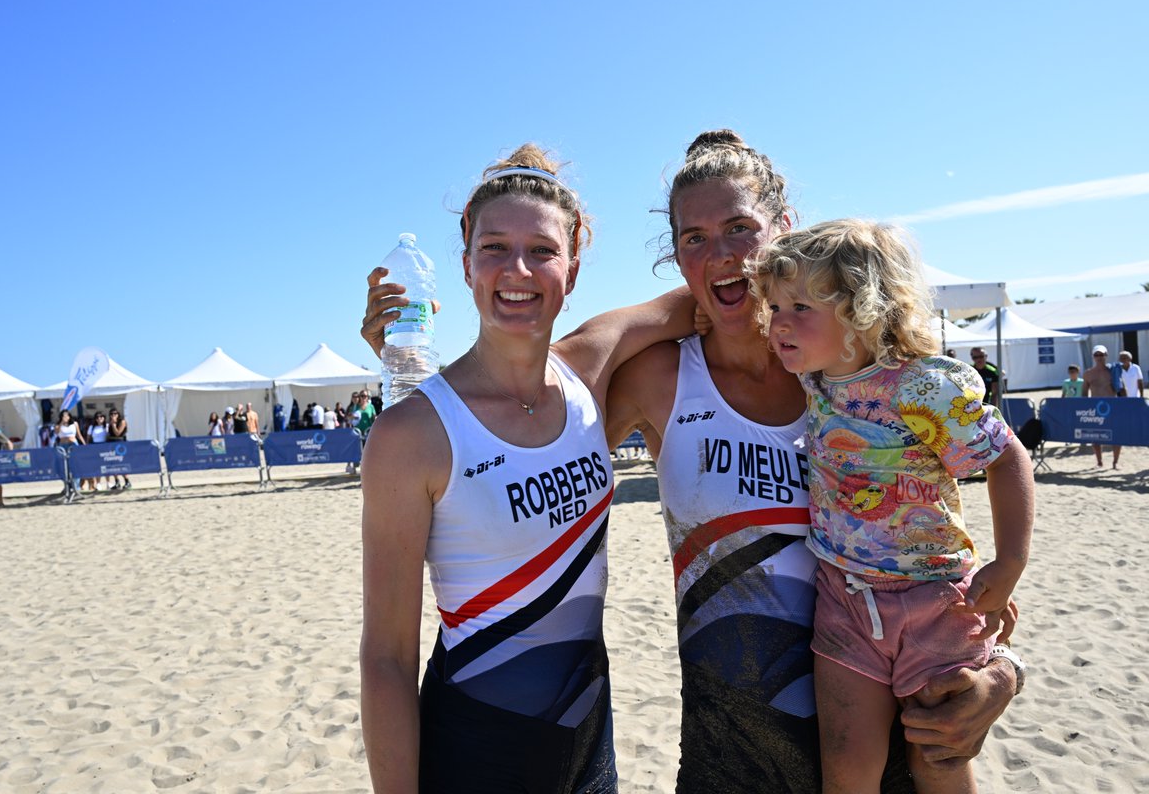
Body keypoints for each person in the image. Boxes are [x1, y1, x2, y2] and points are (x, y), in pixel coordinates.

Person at [364, 130, 1021, 792]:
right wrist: (406, 367)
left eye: (741, 228)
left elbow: (954, 539)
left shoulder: (862, 376)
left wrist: (1001, 671)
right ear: (676, 255)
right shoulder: (658, 380)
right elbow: (512, 416)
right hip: (727, 764)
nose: (722, 255)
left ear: (783, 229)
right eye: (694, 239)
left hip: (890, 746)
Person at [359, 144, 699, 792]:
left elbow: (710, 294)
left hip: (592, 746)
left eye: (542, 250)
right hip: (477, 755)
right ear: (464, 267)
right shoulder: (413, 435)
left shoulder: (590, 368)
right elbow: (385, 660)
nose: (517, 269)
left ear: (571, 270)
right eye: (494, 248)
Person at [754, 219, 1034, 793]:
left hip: (935, 600)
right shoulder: (815, 381)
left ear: (863, 310)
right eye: (774, 305)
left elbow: (1008, 459)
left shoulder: (922, 389)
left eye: (800, 306)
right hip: (844, 598)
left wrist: (1009, 565)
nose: (779, 321)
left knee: (941, 755)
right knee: (847, 767)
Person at [1082, 346, 1121, 468]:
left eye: (1101, 354)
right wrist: (1085, 409)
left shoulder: (1113, 371)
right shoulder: (1088, 373)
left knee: (1117, 436)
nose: (1099, 357)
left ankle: (1115, 462)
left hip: (1112, 406)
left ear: (1106, 355)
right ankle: (1099, 462)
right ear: (1093, 357)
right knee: (1096, 438)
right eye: (1097, 355)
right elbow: (1084, 392)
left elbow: (1121, 388)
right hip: (1095, 409)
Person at [107, 408, 132, 489]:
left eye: (115, 414)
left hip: (120, 444)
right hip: (111, 444)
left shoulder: (122, 422)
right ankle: (117, 481)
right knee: (113, 464)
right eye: (112, 414)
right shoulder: (110, 423)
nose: (113, 415)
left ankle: (127, 481)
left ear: (118, 414)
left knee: (121, 464)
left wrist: (114, 425)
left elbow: (118, 433)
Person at [85, 412, 109, 492]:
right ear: (95, 419)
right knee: (98, 466)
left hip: (105, 446)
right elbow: (88, 438)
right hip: (95, 446)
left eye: (101, 417)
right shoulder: (92, 427)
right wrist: (87, 447)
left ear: (104, 418)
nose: (99, 418)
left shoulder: (107, 426)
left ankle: (108, 482)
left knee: (106, 465)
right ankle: (98, 483)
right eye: (98, 417)